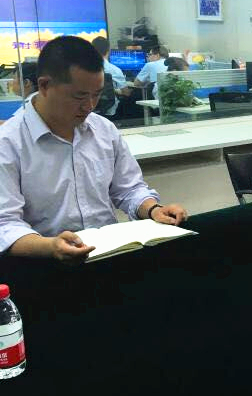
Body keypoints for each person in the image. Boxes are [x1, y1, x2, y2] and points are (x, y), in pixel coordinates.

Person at [0, 36, 188, 263]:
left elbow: (129, 189)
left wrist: (153, 209)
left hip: (110, 256)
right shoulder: (8, 142)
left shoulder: (103, 130)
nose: (89, 106)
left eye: (97, 94)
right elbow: (5, 224)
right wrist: (50, 246)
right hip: (44, 265)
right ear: (45, 86)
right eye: (79, 96)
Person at [91, 36, 129, 117]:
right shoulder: (115, 70)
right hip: (110, 111)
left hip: (89, 111)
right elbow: (126, 93)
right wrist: (115, 90)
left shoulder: (83, 69)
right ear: (109, 50)